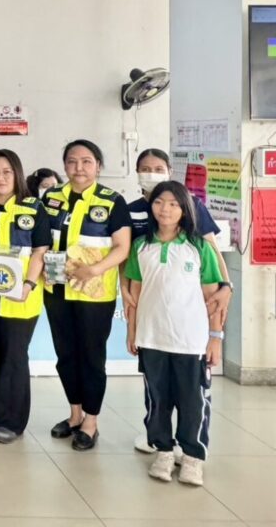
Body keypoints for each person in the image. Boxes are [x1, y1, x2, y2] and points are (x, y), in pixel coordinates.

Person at [123, 148, 233, 457]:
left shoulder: (193, 213)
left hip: (189, 331)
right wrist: (127, 306)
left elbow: (211, 251)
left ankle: (192, 450)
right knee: (157, 392)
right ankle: (161, 443)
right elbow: (127, 259)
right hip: (152, 325)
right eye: (145, 168)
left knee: (192, 396)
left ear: (170, 170)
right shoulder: (132, 214)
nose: (166, 209)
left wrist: (227, 286)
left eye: (158, 168)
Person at [42, 139, 132, 450]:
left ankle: (91, 422)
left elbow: (122, 247)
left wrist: (92, 270)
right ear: (64, 165)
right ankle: (74, 414)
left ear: (98, 166)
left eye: (86, 161)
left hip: (94, 293)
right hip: (56, 288)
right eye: (72, 161)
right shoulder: (51, 197)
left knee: (92, 357)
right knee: (65, 354)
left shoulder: (112, 201)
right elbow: (42, 238)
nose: (78, 167)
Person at [0, 150, 50, 443]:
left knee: (14, 354)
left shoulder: (33, 208)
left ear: (17, 174)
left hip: (20, 295)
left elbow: (40, 250)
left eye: (6, 172)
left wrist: (28, 284)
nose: (0, 178)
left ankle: (12, 421)